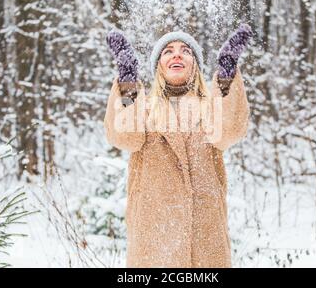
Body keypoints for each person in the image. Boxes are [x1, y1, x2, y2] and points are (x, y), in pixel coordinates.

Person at [103, 23, 253, 267]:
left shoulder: (211, 108)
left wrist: (226, 75)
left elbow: (229, 131)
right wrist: (127, 80)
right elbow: (124, 137)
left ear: (195, 64)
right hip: (154, 240)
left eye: (185, 50)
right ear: (159, 66)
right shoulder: (145, 109)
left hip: (204, 240)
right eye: (168, 51)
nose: (176, 54)